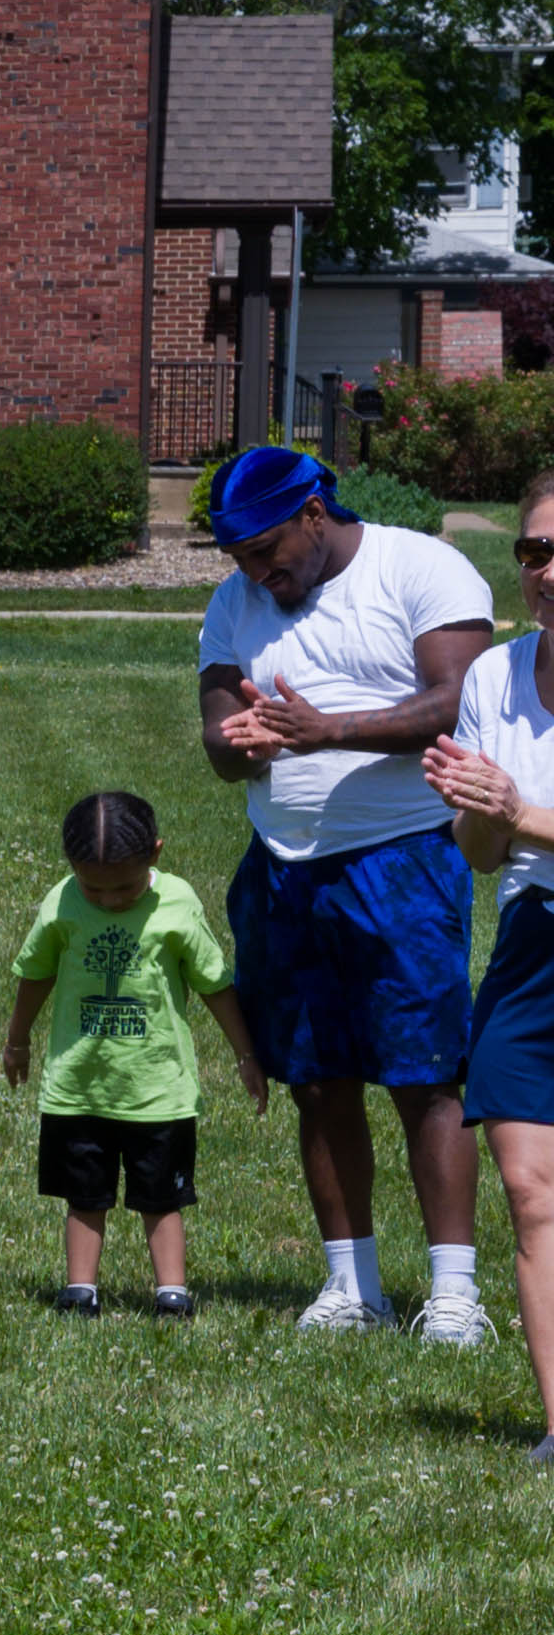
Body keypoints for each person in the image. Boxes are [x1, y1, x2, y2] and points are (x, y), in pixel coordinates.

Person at [199, 439, 498, 1342]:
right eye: (242, 560)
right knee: (317, 1079)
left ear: (314, 513)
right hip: (282, 867)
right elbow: (217, 728)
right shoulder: (234, 601)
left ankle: (454, 1294)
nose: (257, 575)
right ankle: (350, 1286)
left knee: (425, 1076)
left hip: (402, 858)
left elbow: (458, 700)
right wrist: (238, 743)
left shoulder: (421, 568)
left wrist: (329, 731)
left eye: (267, 553)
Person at [1, 789, 253, 1319]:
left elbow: (213, 983)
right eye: (95, 888)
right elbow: (35, 973)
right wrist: (17, 1039)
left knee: (162, 1197)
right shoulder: (63, 902)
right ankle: (80, 1290)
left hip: (158, 1089)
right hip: (79, 1087)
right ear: (71, 867)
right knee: (84, 1195)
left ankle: (172, 1292)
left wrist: (245, 1054)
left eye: (125, 887)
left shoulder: (178, 903)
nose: (111, 900)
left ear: (156, 854)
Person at [422, 475, 554, 1448]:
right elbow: (481, 857)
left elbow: (521, 824)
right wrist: (476, 809)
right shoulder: (494, 680)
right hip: (530, 941)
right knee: (530, 1189)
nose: (546, 570)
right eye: (533, 551)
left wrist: (520, 812)